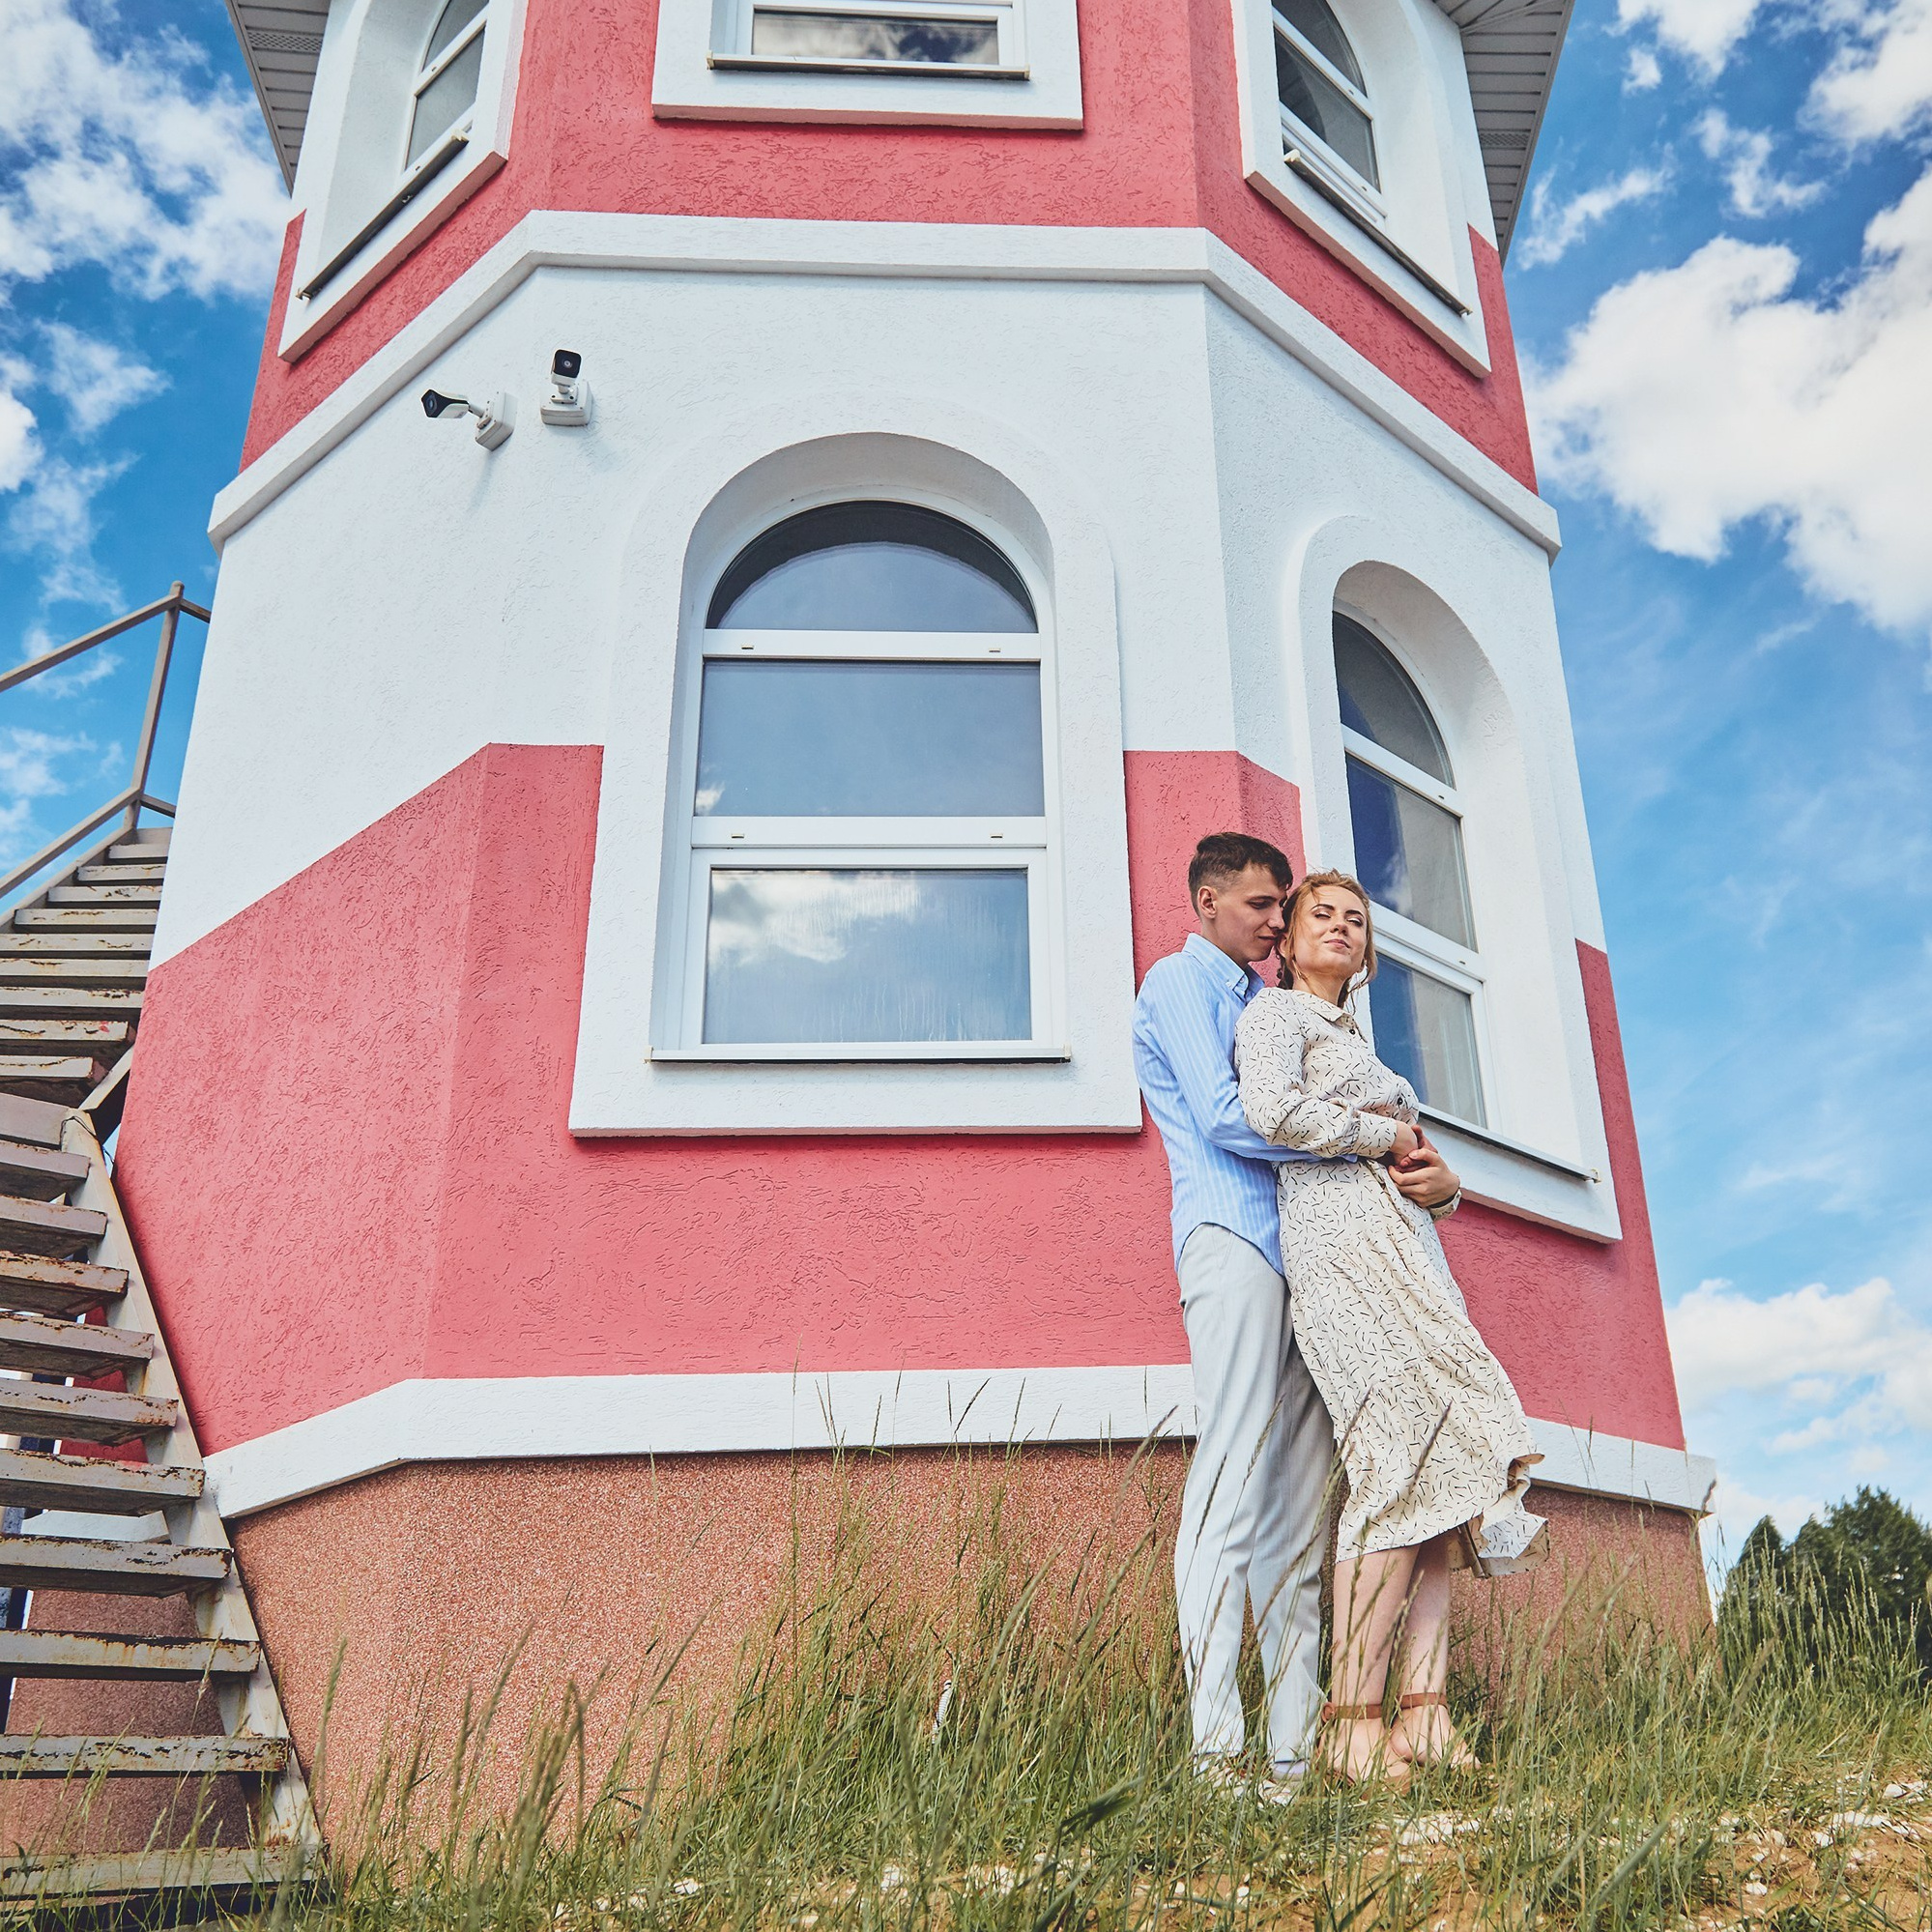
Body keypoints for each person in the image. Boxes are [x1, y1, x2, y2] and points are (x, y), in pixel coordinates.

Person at [1133, 835, 1459, 1785]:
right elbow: (1235, 1116)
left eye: (1285, 907)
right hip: (1234, 1244)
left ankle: (1287, 1751)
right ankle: (1212, 1753)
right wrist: (1374, 1138)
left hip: (1315, 1270)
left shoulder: (1271, 1004)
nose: (1276, 922)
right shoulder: (1178, 985)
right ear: (1205, 902)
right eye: (1259, 907)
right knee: (1229, 1489)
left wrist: (1428, 1177)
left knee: (1295, 1519)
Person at [1234, 869, 1547, 1787]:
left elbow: (1415, 1164)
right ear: (1286, 940)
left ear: (1367, 950)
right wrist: (1378, 1135)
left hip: (1413, 1258)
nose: (1339, 926)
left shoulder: (1361, 1042)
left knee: (1451, 1464)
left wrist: (1446, 1188)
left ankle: (1425, 1709)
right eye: (1320, 914)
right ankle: (1350, 1720)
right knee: (1390, 1458)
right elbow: (1270, 1111)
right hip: (1338, 1259)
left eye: (1355, 919)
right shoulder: (1276, 1018)